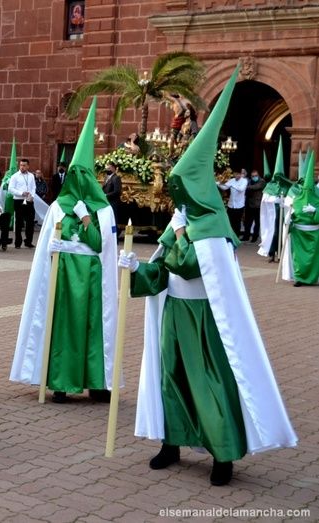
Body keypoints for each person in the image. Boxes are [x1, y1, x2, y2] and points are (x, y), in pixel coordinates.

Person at [118, 66, 296, 487]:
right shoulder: (180, 221)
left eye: (181, 188)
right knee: (172, 378)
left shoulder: (213, 228)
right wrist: (137, 269)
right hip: (176, 312)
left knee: (208, 383)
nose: (175, 196)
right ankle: (171, 442)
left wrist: (181, 233)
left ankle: (222, 453)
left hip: (205, 318)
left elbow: (190, 264)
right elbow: (164, 270)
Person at [10, 97, 119, 404]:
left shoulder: (103, 210)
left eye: (84, 176)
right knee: (64, 326)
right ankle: (60, 382)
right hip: (64, 276)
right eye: (75, 175)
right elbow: (47, 242)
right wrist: (53, 248)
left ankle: (97, 382)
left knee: (93, 327)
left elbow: (100, 244)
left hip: (93, 277)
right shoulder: (58, 207)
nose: (79, 181)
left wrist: (85, 218)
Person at [288, 150, 319, 287]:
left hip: (314, 233)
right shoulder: (296, 198)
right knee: (298, 256)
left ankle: (311, 278)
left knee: (313, 257)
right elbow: (290, 214)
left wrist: (316, 210)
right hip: (299, 234)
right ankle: (299, 278)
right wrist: (288, 220)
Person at [8, 158, 36, 249]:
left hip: (29, 200)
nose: (22, 167)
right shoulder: (15, 176)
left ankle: (28, 242)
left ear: (28, 166)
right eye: (21, 165)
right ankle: (18, 243)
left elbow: (33, 187)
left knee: (30, 221)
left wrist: (32, 196)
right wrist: (21, 193)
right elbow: (10, 189)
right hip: (18, 201)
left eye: (24, 165)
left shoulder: (31, 176)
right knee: (19, 222)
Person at [217, 170, 248, 237]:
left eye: (238, 174)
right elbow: (225, 187)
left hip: (239, 206)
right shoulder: (232, 180)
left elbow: (241, 189)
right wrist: (218, 184)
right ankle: (230, 236)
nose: (237, 175)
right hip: (231, 205)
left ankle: (236, 237)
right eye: (235, 174)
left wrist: (232, 185)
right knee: (230, 221)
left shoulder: (244, 181)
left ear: (240, 174)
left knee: (237, 222)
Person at [243, 169, 265, 242]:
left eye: (255, 175)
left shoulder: (262, 181)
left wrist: (247, 187)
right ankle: (246, 236)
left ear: (258, 175)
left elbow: (256, 187)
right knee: (247, 222)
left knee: (257, 222)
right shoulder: (250, 181)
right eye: (253, 176)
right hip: (249, 205)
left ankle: (255, 237)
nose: (254, 177)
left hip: (257, 206)